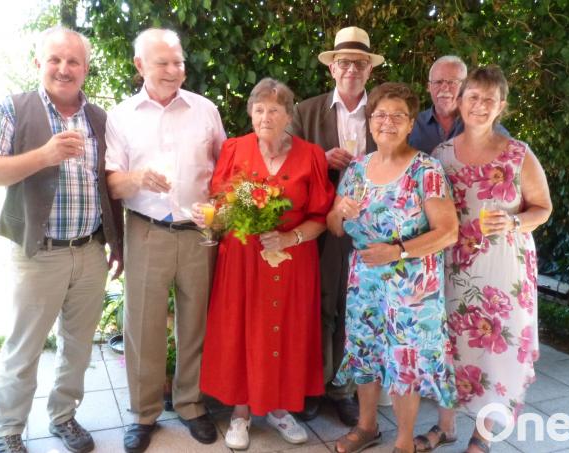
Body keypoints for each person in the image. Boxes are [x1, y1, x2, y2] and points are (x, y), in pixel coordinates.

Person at [0, 26, 123, 453]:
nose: (64, 68)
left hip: (90, 250)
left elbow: (107, 185)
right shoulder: (14, 108)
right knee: (24, 349)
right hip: (38, 254)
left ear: (85, 68)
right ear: (37, 64)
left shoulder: (99, 117)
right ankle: (9, 431)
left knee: (77, 347)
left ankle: (64, 417)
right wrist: (45, 155)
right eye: (54, 60)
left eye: (73, 61)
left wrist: (117, 245)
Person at [417, 66, 552, 453]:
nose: (480, 105)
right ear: (459, 101)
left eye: (489, 100)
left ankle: (484, 431)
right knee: (451, 344)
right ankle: (446, 426)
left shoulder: (518, 154)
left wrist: (513, 220)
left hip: (503, 268)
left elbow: (542, 208)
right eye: (473, 97)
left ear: (501, 107)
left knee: (497, 349)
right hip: (453, 267)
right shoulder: (439, 155)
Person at [104, 28, 226, 453]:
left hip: (198, 233)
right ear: (140, 66)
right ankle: (143, 413)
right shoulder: (120, 115)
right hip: (147, 229)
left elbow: (224, 171)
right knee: (143, 324)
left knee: (196, 323)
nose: (174, 70)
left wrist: (224, 207)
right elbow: (112, 183)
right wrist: (137, 178)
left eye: (178, 62)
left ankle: (191, 403)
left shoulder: (205, 110)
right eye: (163, 63)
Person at [196, 78, 334, 450]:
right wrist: (210, 218)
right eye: (259, 109)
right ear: (250, 113)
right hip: (243, 261)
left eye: (274, 109)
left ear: (289, 115)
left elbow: (322, 215)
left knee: (285, 331)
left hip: (293, 260)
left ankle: (278, 408)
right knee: (244, 329)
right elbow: (222, 205)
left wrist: (290, 237)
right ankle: (240, 413)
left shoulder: (312, 156)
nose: (265, 116)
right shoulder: (234, 149)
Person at [326, 82, 459, 453]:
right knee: (365, 352)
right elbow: (334, 226)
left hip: (412, 286)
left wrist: (397, 251)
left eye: (397, 115)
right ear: (370, 123)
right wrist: (339, 211)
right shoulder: (356, 169)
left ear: (410, 123)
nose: (388, 122)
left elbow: (448, 232)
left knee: (405, 361)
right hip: (364, 281)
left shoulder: (425, 169)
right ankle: (366, 427)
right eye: (381, 115)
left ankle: (403, 441)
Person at [289, 25, 384, 426]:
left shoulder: (383, 111)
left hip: (370, 229)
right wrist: (318, 159)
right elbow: (286, 163)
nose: (351, 69)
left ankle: (342, 389)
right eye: (344, 62)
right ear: (332, 68)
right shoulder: (306, 110)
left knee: (355, 309)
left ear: (368, 70)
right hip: (320, 225)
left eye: (359, 63)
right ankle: (313, 386)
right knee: (319, 305)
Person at [408, 56, 508, 154]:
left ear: (465, 87)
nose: (445, 88)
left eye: (452, 82)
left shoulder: (484, 125)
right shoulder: (412, 126)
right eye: (438, 82)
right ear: (429, 87)